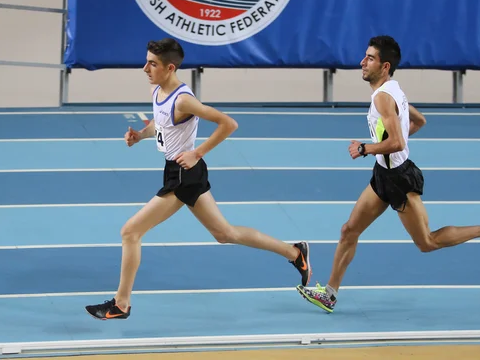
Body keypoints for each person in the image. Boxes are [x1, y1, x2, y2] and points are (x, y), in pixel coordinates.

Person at [85, 38, 312, 320]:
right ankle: (294, 252)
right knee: (224, 234)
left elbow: (228, 123)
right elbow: (161, 122)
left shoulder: (184, 100)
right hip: (179, 170)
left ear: (169, 68)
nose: (145, 68)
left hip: (184, 174)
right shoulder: (158, 90)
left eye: (152, 64)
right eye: (146, 61)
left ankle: (121, 304)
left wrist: (197, 152)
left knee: (130, 232)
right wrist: (140, 136)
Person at [295, 35, 480, 313]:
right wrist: (383, 150)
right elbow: (419, 121)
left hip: (399, 179)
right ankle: (329, 294)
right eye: (365, 56)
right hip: (383, 175)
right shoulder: (392, 89)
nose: (362, 62)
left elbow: (398, 142)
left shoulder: (384, 98)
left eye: (370, 58)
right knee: (349, 230)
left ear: (385, 66)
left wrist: (366, 148)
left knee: (428, 242)